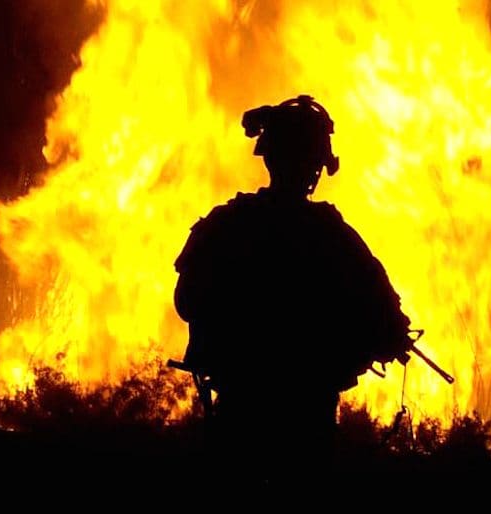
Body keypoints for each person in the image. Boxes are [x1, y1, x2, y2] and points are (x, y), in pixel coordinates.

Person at [173, 95, 413, 474]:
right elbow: (384, 315)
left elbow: (186, 301)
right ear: (317, 166)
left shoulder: (226, 225)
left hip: (241, 402)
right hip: (306, 408)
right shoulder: (334, 237)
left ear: (269, 158)